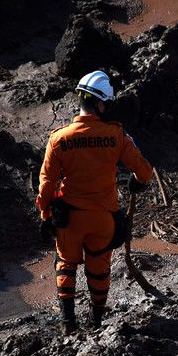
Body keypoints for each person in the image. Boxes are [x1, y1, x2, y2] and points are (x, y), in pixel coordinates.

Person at [37, 70, 153, 334]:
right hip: (104, 219)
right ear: (101, 104)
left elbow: (46, 185)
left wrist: (45, 215)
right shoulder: (116, 135)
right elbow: (144, 172)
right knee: (99, 270)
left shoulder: (59, 138)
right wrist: (136, 182)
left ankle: (68, 324)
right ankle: (96, 322)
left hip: (70, 219)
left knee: (65, 264)